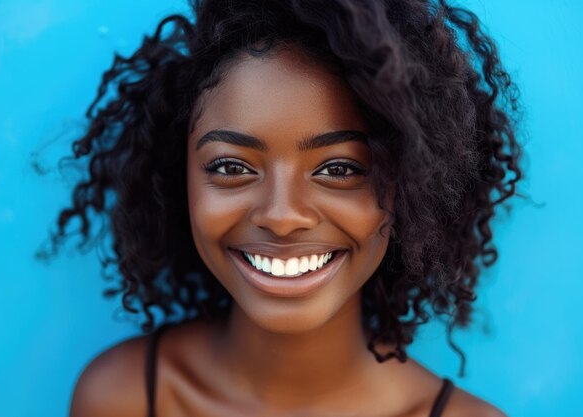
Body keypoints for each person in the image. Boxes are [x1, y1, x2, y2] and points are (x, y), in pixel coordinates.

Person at [51, 0, 522, 415]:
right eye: (232, 167)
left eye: (339, 170)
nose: (281, 214)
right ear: (180, 181)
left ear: (412, 189)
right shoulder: (125, 397)